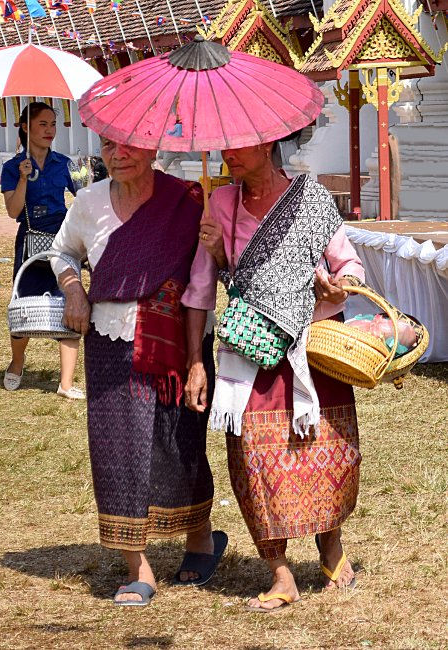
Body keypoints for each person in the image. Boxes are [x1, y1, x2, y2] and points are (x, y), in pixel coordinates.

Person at [182, 142, 365, 612]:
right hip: (251, 352)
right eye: (225, 146)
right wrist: (196, 362)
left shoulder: (311, 199)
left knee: (323, 449)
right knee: (253, 459)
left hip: (313, 348)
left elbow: (350, 266)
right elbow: (202, 287)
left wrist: (337, 284)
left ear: (268, 144)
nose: (228, 155)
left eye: (239, 146)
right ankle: (280, 574)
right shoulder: (220, 203)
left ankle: (331, 547)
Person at [50, 138, 227, 606]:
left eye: (129, 146)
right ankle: (138, 565)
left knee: (182, 442)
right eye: (109, 145)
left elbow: (203, 280)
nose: (117, 154)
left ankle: (200, 540)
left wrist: (194, 361)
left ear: (152, 150)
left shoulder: (188, 200)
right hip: (109, 341)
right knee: (117, 451)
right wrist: (72, 290)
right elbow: (61, 252)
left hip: (178, 344)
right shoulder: (88, 201)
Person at [1, 102, 84, 399]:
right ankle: (17, 362)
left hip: (61, 240)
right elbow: (12, 211)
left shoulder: (65, 163)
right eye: (43, 124)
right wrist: (23, 177)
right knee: (22, 302)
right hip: (29, 239)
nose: (50, 131)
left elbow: (84, 195)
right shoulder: (11, 168)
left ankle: (65, 383)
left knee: (70, 301)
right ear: (26, 127)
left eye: (53, 124)